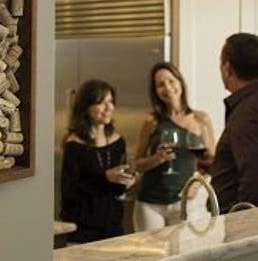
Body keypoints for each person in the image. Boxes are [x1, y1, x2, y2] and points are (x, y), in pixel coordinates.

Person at [133, 62, 215, 230]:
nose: (167, 88)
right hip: (150, 204)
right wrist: (156, 159)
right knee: (152, 256)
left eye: (171, 81)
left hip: (186, 203)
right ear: (155, 91)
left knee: (184, 254)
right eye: (160, 85)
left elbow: (213, 163)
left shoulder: (201, 119)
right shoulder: (151, 121)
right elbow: (136, 163)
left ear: (180, 82)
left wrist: (197, 183)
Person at [60, 79, 136, 243]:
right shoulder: (74, 144)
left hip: (114, 226)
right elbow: (69, 192)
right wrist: (105, 177)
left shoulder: (118, 142)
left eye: (110, 101)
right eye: (101, 102)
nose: (109, 108)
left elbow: (115, 191)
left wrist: (125, 182)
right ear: (86, 107)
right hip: (83, 230)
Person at [211, 33, 258, 213]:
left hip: (244, 230)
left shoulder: (247, 112)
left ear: (228, 68)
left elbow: (253, 178)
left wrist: (243, 237)